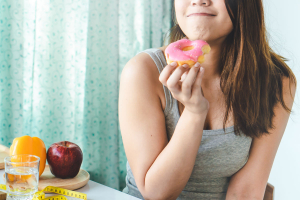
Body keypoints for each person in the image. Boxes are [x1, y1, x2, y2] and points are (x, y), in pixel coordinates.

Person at [118, 0, 297, 199]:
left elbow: (245, 191)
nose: (198, 0)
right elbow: (156, 193)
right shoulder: (143, 71)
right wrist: (194, 113)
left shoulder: (277, 82)